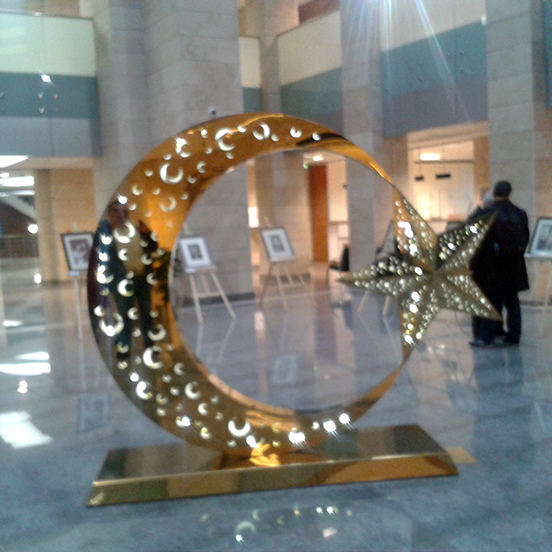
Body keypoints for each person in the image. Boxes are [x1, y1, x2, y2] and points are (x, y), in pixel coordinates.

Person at [92, 200, 158, 360]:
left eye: (123, 211)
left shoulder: (136, 229)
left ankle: (150, 346)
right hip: (121, 281)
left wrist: (148, 233)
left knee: (146, 314)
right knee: (124, 316)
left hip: (141, 278)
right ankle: (123, 348)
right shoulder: (105, 233)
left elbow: (153, 247)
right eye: (116, 211)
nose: (120, 214)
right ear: (110, 213)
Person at [469, 181, 530, 347]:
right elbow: (525, 239)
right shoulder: (520, 214)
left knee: (492, 300)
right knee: (512, 301)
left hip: (492, 265)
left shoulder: (487, 212)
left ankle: (486, 337)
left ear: (494, 193)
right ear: (509, 193)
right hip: (514, 265)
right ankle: (514, 336)